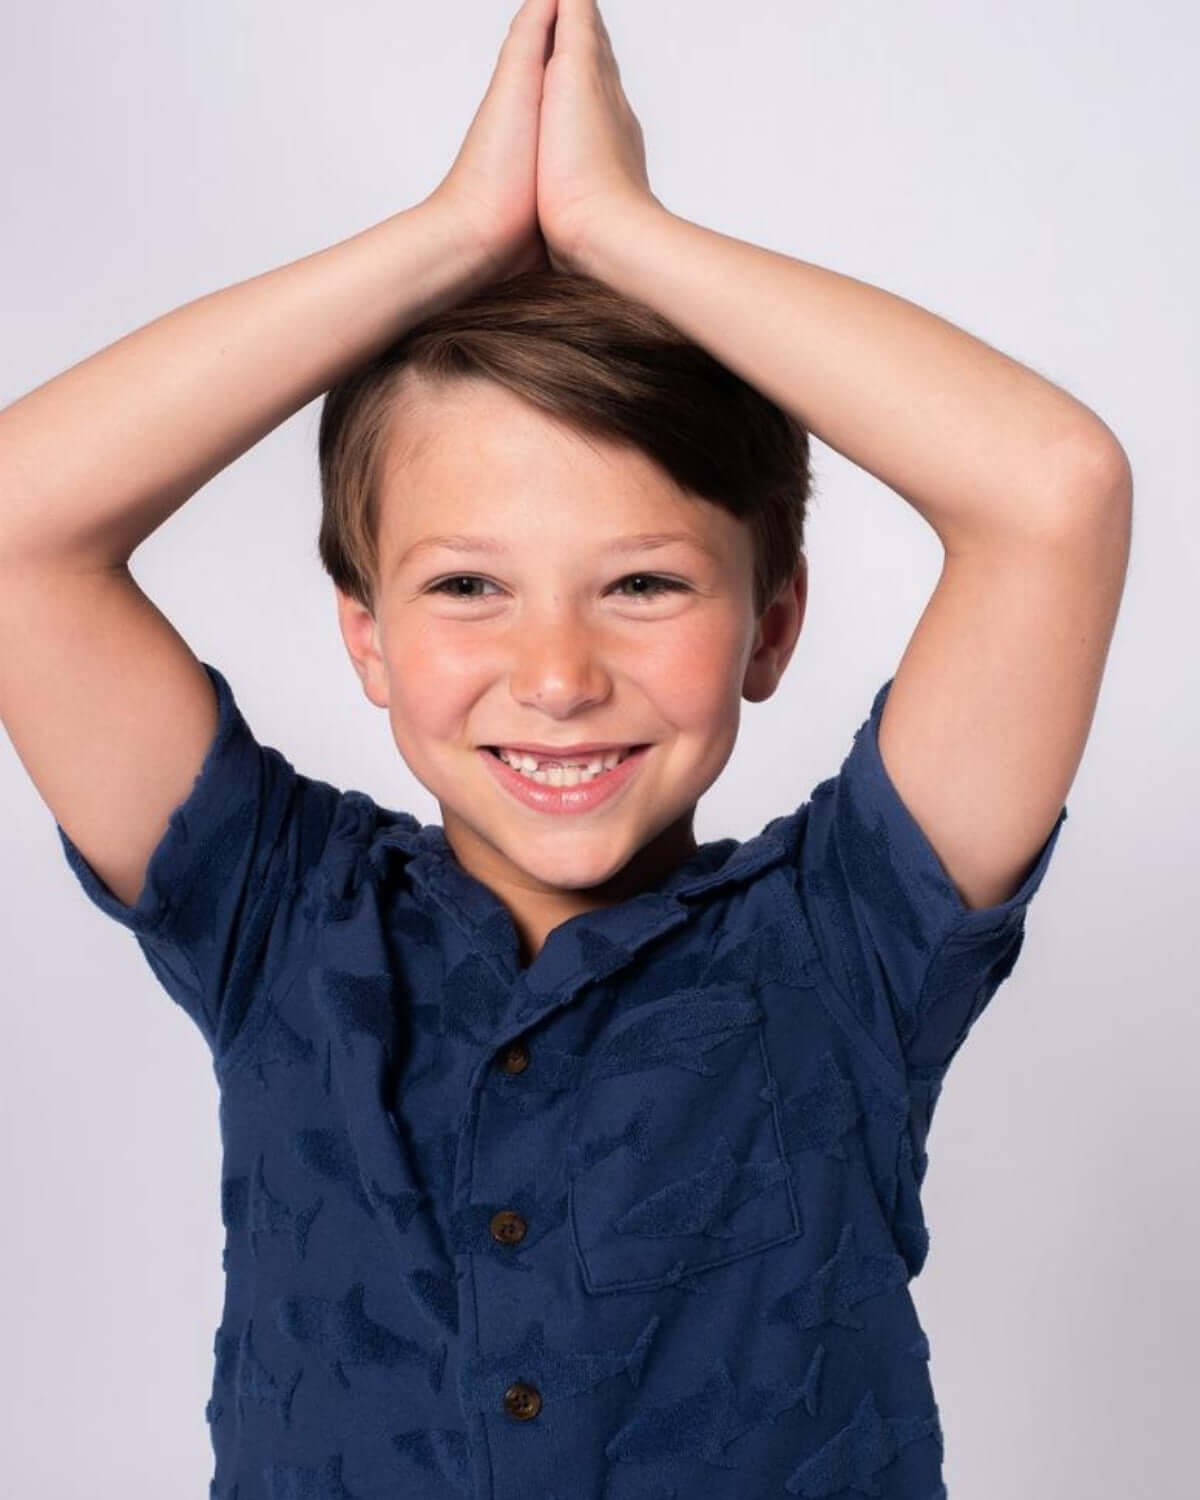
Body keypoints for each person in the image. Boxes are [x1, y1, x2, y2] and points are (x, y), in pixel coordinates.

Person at [0, 1, 1131, 1496]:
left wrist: (615, 228)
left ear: (771, 626)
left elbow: (1052, 492)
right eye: (468, 586)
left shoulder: (847, 942)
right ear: (368, 638)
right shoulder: (277, 914)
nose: (557, 674)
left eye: (644, 584)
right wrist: (456, 232)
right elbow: (22, 526)